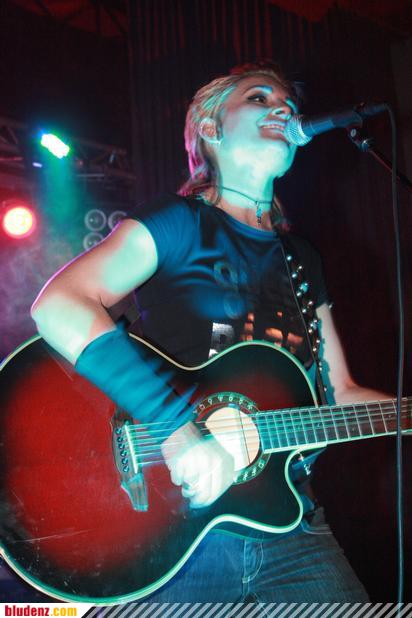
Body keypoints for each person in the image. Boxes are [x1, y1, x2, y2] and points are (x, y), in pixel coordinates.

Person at [31, 62, 390, 603]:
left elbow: (340, 393)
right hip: (171, 531)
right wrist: (178, 432)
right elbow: (59, 305)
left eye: (288, 102)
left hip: (289, 526)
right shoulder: (179, 222)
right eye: (260, 97)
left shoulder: (302, 258)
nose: (284, 107)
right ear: (209, 127)